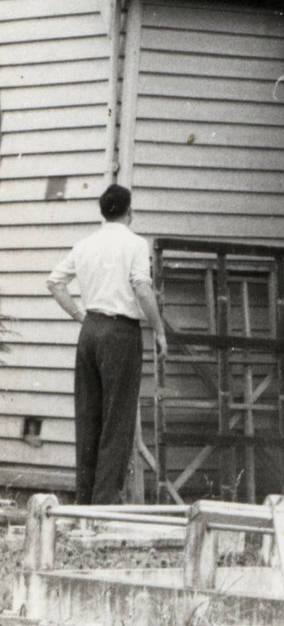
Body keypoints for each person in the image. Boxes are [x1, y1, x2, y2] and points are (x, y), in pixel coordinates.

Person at [47, 183, 171, 503]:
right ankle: (102, 508)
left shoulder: (86, 244)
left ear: (104, 212)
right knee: (117, 420)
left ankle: (83, 502)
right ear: (129, 212)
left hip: (90, 330)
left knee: (89, 416)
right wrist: (158, 330)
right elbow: (142, 290)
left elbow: (55, 282)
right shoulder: (134, 244)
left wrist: (79, 314)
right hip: (121, 333)